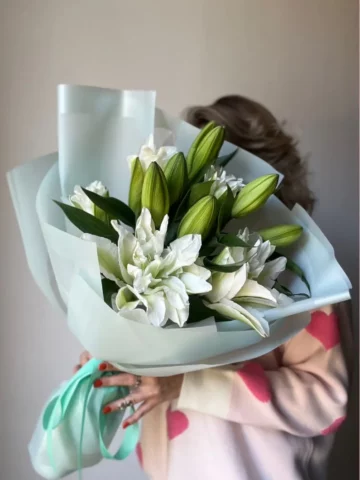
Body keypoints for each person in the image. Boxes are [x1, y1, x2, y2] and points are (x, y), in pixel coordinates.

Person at [75, 95, 350, 480]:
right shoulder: (162, 256)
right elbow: (148, 385)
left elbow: (324, 401)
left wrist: (187, 385)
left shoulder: (307, 276)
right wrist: (111, 366)